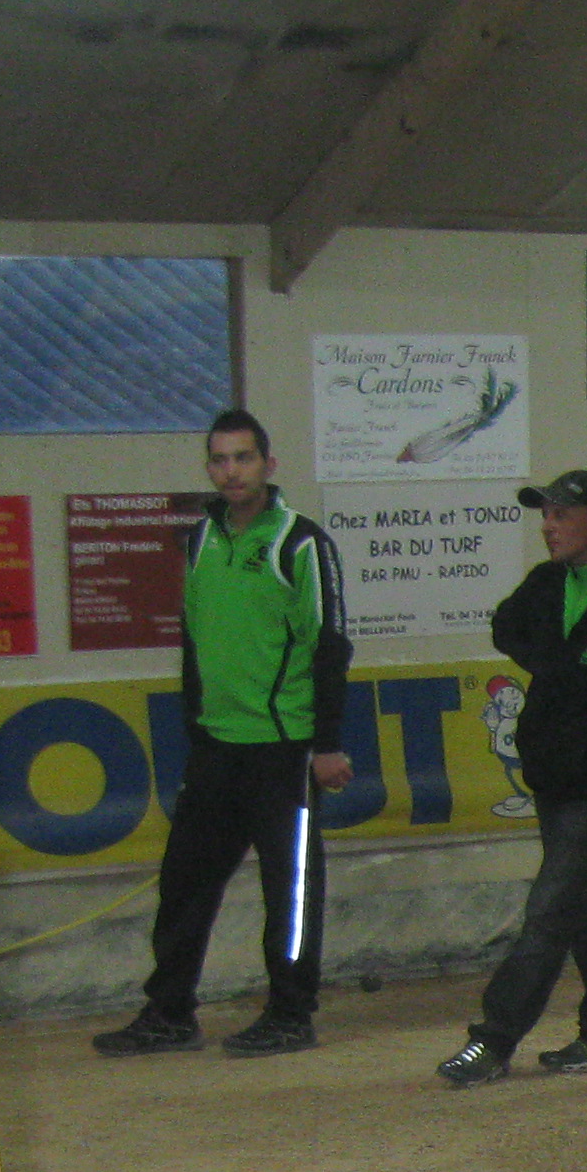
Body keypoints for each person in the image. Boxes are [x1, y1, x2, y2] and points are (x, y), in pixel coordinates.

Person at [94, 408, 354, 1058]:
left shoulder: (301, 544)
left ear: (268, 465)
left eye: (243, 458)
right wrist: (194, 729)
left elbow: (331, 645)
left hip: (284, 752)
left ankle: (291, 1014)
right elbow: (193, 642)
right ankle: (169, 1012)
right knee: (184, 884)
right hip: (216, 750)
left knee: (288, 890)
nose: (231, 470)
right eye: (220, 459)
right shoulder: (199, 541)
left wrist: (325, 744)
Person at [437, 469, 587, 1086]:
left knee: (549, 910)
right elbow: (506, 626)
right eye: (545, 516)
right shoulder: (547, 583)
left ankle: (494, 1039)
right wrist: (562, 665)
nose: (548, 526)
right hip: (556, 777)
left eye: (561, 515)